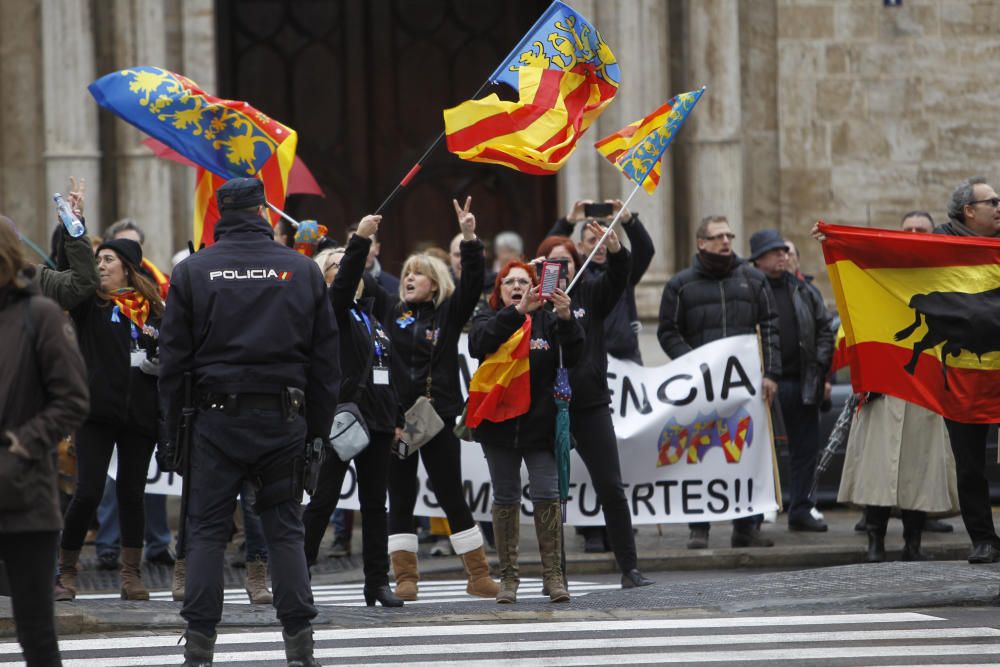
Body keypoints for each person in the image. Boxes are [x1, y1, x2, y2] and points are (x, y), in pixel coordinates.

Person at [158, 177, 339, 666]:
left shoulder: (193, 271)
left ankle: (199, 647)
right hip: (285, 420)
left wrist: (170, 431)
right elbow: (326, 364)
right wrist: (317, 433)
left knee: (207, 532)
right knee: (284, 530)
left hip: (214, 422)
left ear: (219, 214)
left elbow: (172, 362)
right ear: (262, 210)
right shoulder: (301, 271)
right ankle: (300, 645)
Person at [37, 180, 163, 603]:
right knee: (88, 492)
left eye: (108, 259)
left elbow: (171, 351)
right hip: (96, 413)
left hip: (140, 416)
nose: (102, 265)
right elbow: (68, 270)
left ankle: (131, 574)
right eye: (99, 259)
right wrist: (75, 224)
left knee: (131, 493)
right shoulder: (91, 304)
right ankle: (66, 571)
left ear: (128, 266)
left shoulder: (155, 309)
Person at [385, 197, 499, 601]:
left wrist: (469, 237)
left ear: (434, 282)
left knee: (451, 492)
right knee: (399, 495)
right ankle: (405, 579)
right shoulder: (391, 313)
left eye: (418, 274)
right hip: (399, 421)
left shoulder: (447, 315)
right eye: (405, 275)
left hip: (439, 416)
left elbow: (472, 284)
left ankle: (479, 574)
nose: (409, 279)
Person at [536, 224, 654, 589]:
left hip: (589, 404)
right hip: (546, 408)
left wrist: (618, 250)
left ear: (577, 265)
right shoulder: (531, 302)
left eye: (567, 262)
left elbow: (621, 277)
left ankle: (629, 568)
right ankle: (555, 575)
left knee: (611, 487)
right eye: (553, 263)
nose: (562, 269)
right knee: (550, 494)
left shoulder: (591, 292)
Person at [657, 215, 780, 550]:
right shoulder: (680, 285)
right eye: (717, 236)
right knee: (700, 453)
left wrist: (771, 373)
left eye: (729, 235)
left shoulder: (753, 280)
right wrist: (693, 363)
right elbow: (667, 331)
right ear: (701, 243)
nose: (726, 241)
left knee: (745, 452)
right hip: (702, 387)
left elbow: (769, 327)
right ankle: (700, 527)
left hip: (745, 389)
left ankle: (746, 527)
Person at [0, 214, 89, 666]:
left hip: (24, 497)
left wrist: (22, 444)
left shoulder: (40, 315)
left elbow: (72, 400)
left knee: (35, 633)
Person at [301, 215, 404, 608]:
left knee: (376, 505)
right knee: (324, 499)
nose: (348, 269)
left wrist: (395, 420)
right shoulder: (331, 309)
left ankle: (376, 582)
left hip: (376, 423)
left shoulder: (371, 316)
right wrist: (359, 240)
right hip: (341, 421)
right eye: (337, 264)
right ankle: (299, 573)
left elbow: (387, 371)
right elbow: (341, 289)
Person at [468, 260, 584, 603]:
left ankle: (553, 575)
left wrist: (566, 319)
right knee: (505, 497)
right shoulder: (488, 318)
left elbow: (575, 355)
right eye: (509, 282)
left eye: (524, 281)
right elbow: (480, 344)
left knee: (547, 494)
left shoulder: (548, 320)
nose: (517, 286)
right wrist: (517, 312)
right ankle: (508, 579)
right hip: (498, 426)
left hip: (539, 426)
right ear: (499, 290)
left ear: (536, 287)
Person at [934, 178, 1000, 563]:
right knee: (970, 461)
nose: (999, 206)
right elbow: (884, 256)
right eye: (991, 201)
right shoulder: (937, 250)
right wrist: (836, 241)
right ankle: (984, 538)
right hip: (962, 373)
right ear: (968, 211)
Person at [749, 229, 833, 532]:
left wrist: (820, 366)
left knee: (806, 449)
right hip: (761, 384)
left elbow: (825, 329)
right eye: (775, 252)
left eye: (785, 251)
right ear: (758, 259)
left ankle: (801, 508)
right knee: (759, 450)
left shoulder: (804, 291)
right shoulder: (749, 289)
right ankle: (755, 513)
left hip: (801, 380)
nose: (783, 255)